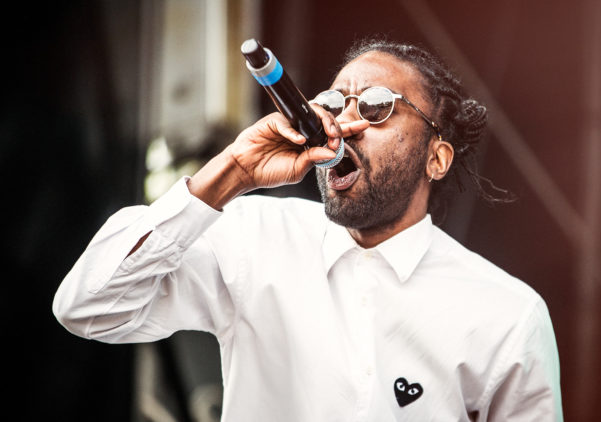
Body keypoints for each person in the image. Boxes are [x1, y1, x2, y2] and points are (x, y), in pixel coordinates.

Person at [53, 37, 563, 421]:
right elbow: (87, 306)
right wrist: (234, 168)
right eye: (335, 103)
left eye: (378, 106)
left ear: (436, 157)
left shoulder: (507, 314)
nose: (346, 123)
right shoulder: (254, 236)